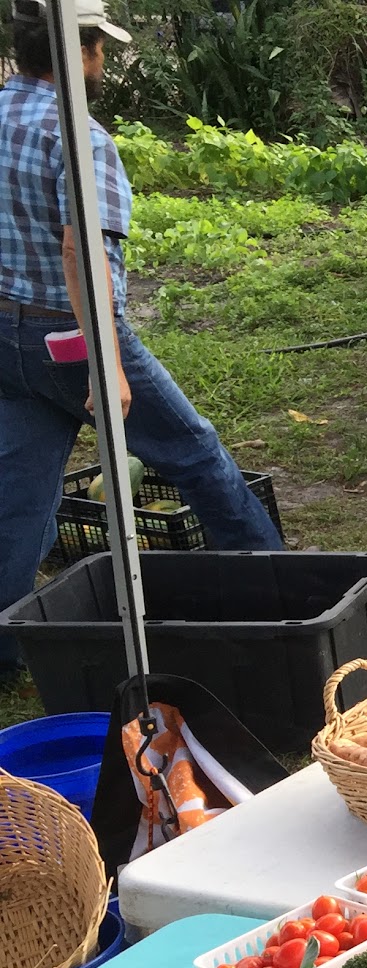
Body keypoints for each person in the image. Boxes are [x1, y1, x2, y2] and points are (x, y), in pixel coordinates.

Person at [0, 0, 283, 684]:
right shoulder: (77, 134)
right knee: (193, 450)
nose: (103, 63)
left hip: (7, 336)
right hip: (71, 332)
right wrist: (104, 361)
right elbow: (82, 249)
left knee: (19, 494)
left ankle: (6, 653)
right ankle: (277, 593)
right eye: (100, 49)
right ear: (84, 51)